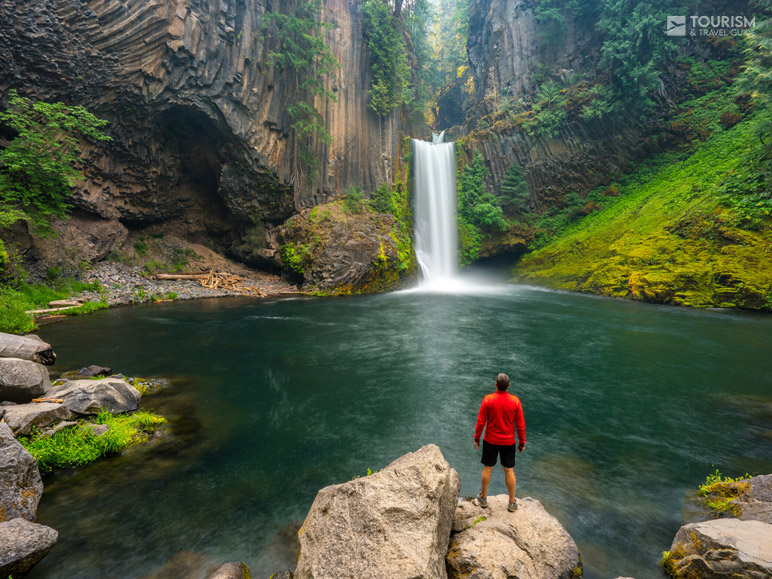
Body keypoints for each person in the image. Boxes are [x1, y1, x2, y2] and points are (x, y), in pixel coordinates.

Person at [473, 372, 525, 512]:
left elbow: (481, 421)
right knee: (509, 470)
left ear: (495, 384)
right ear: (508, 385)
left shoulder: (488, 399)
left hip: (490, 440)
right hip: (508, 442)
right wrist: (522, 442)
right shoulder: (515, 401)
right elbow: (520, 425)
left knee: (487, 468)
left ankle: (483, 498)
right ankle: (512, 502)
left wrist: (476, 438)